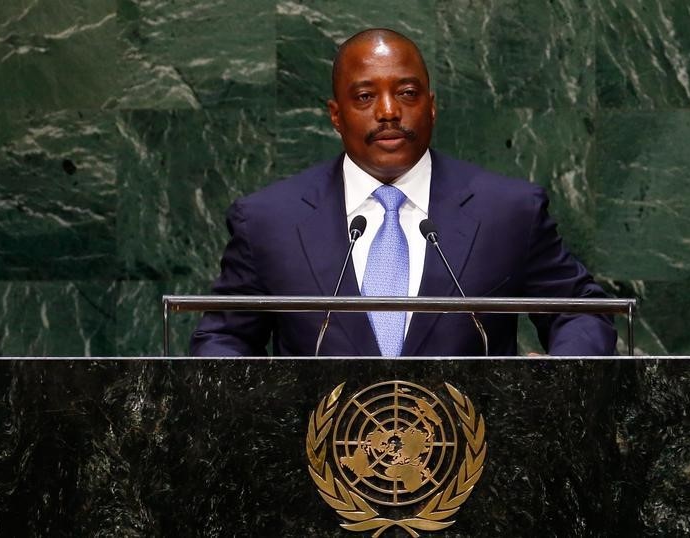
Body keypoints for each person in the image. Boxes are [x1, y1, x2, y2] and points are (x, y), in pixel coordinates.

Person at [190, 28, 616, 357]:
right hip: (315, 462)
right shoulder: (268, 220)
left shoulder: (507, 211)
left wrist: (564, 377)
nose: (389, 111)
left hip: (475, 460)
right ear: (336, 116)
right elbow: (223, 337)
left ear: (431, 106)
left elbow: (581, 310)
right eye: (365, 96)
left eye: (407, 93)